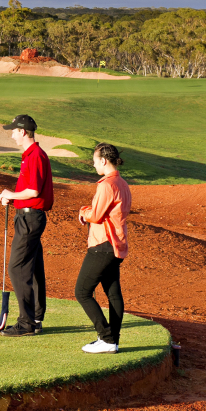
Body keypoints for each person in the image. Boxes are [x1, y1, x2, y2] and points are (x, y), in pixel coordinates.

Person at [0, 114, 54, 337]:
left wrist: (11, 193)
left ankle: (27, 322)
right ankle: (36, 318)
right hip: (28, 215)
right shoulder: (30, 155)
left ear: (22, 132)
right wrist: (13, 198)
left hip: (30, 218)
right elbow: (29, 192)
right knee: (32, 266)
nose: (11, 135)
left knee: (17, 267)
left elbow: (34, 191)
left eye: (13, 131)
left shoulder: (35, 156)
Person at [75, 143, 132, 353]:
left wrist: (83, 211)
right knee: (113, 293)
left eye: (94, 160)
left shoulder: (107, 185)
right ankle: (112, 341)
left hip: (102, 245)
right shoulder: (123, 183)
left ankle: (106, 339)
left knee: (82, 291)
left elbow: (96, 215)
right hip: (116, 245)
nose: (93, 164)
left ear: (103, 160)